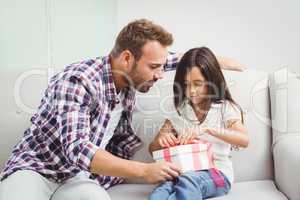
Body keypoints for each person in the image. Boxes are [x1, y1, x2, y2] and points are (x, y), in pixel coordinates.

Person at [0, 19, 245, 200]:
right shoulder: (79, 80)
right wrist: (144, 170)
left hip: (80, 178)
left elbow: (175, 60)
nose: (161, 74)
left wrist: (217, 62)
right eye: (154, 67)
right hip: (38, 169)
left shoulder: (131, 77)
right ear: (127, 58)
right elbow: (78, 148)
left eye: (161, 66)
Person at [148, 47, 249, 200]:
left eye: (198, 84)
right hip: (183, 172)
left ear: (211, 81)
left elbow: (244, 140)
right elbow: (152, 149)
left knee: (189, 182)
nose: (191, 91)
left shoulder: (225, 108)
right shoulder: (180, 110)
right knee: (162, 189)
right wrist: (161, 141)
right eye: (186, 84)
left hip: (217, 173)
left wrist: (207, 129)